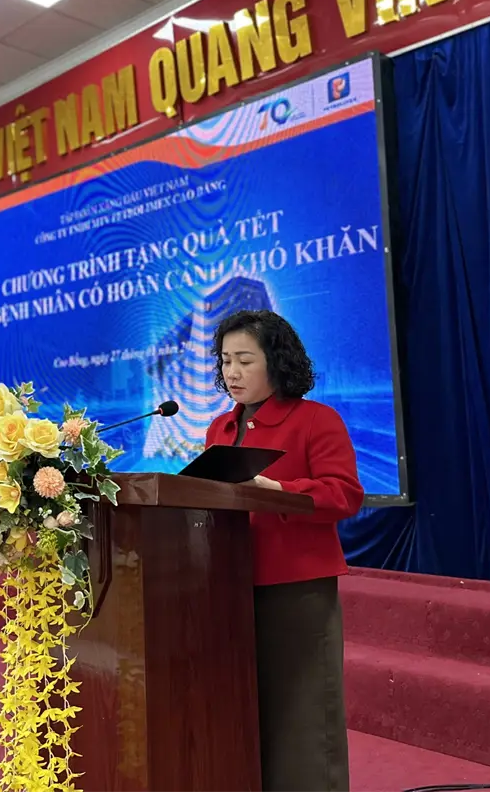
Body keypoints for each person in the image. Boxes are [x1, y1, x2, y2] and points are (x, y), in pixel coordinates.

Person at [204, 309, 364, 792]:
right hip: (229, 586)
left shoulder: (316, 419)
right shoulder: (219, 429)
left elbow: (344, 495)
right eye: (226, 360)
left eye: (245, 360)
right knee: (243, 708)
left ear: (275, 361)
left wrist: (277, 491)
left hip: (296, 588)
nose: (232, 372)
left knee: (303, 712)